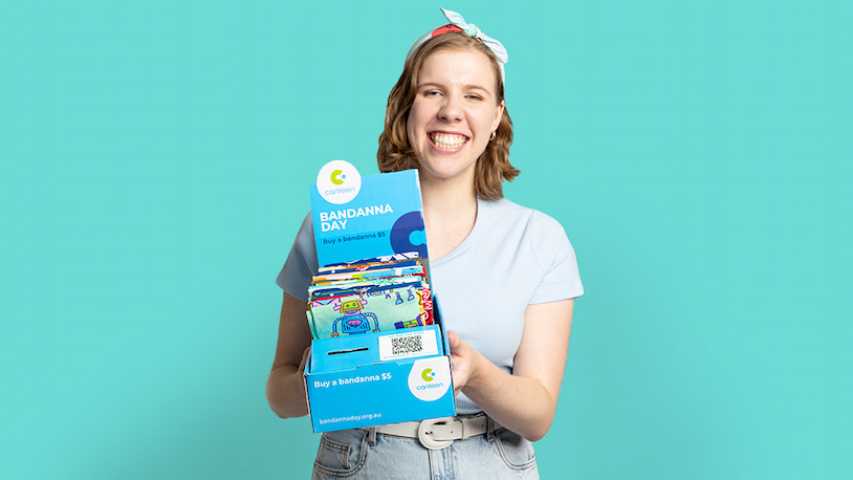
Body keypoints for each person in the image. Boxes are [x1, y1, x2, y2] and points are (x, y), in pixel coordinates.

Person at [266, 8, 584, 479]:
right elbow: (280, 395)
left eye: (473, 95)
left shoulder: (538, 239)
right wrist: (331, 378)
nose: (451, 111)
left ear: (496, 116)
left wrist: (475, 374)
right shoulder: (336, 226)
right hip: (365, 461)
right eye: (433, 91)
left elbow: (538, 416)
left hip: (491, 463)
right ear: (405, 107)